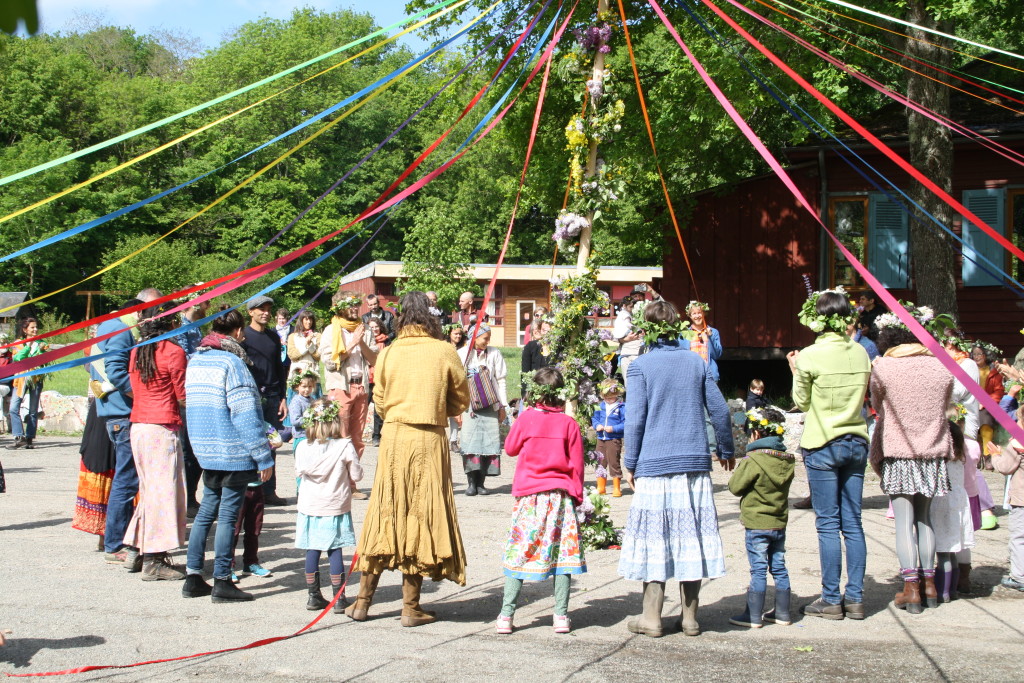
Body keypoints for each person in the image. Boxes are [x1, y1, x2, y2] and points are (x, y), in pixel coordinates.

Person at [347, 291, 470, 627]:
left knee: (385, 511)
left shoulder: (390, 352)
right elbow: (461, 400)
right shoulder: (444, 351)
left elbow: (381, 402)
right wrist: (433, 405)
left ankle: (361, 602)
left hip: (394, 438)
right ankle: (410, 607)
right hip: (428, 438)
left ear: (401, 317)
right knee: (420, 512)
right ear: (431, 317)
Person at [618, 300, 735, 638]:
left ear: (648, 329)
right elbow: (721, 411)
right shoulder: (695, 362)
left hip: (654, 464)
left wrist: (630, 462)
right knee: (691, 536)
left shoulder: (640, 366)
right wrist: (725, 449)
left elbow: (636, 419)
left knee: (656, 538)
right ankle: (690, 619)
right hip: (694, 462)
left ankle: (652, 619)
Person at [787, 287, 870, 620]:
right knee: (853, 524)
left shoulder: (809, 355)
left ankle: (831, 598)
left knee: (827, 524)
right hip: (856, 439)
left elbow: (802, 402)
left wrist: (794, 369)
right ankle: (857, 598)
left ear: (818, 318)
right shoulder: (862, 353)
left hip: (822, 442)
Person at [182, 309, 275, 603]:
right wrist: (263, 456)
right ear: (236, 333)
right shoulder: (233, 363)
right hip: (233, 451)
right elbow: (246, 414)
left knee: (206, 512)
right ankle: (222, 578)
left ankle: (193, 576)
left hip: (206, 450)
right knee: (227, 516)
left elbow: (190, 404)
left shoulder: (195, 360)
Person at [869, 307, 954, 614]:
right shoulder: (942, 367)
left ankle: (910, 589)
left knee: (904, 522)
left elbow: (877, 404)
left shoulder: (884, 367)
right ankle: (930, 585)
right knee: (925, 519)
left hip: (899, 450)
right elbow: (947, 405)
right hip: (932, 453)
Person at [496, 366, 585, 635]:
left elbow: (510, 449)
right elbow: (577, 465)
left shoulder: (526, 419)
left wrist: (522, 420)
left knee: (520, 551)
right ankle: (560, 616)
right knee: (561, 556)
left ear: (534, 390)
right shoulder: (569, 424)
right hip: (559, 496)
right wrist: (577, 497)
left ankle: (506, 615)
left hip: (529, 497)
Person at [97, 288, 162, 564]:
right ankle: (114, 544)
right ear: (139, 311)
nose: (152, 319)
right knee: (127, 479)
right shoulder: (121, 331)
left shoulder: (108, 325)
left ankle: (117, 539)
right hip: (122, 413)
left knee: (126, 478)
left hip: (115, 412)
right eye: (151, 313)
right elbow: (115, 370)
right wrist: (141, 395)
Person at [125, 303, 188, 580]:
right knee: (164, 494)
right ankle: (154, 560)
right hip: (161, 428)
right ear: (172, 324)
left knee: (150, 491)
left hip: (139, 426)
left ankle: (136, 550)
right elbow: (182, 394)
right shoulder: (173, 352)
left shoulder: (138, 351)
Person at [728, 406, 795, 628]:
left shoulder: (753, 459)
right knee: (779, 566)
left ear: (756, 434)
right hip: (779, 522)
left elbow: (735, 487)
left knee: (758, 568)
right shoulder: (786, 459)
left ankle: (753, 615)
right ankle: (783, 613)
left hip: (757, 523)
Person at [294, 398, 363, 612]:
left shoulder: (302, 446)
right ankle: (339, 598)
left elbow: (298, 472)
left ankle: (313, 595)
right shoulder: (343, 446)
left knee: (312, 549)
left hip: (310, 505)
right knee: (335, 550)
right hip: (334, 504)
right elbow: (357, 475)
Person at [321, 290, 377, 494]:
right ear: (339, 307)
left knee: (357, 438)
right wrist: (352, 342)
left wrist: (361, 341)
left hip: (361, 387)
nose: (354, 308)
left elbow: (374, 360)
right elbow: (329, 362)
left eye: (356, 304)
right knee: (340, 437)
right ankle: (337, 482)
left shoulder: (365, 330)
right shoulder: (331, 330)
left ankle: (351, 483)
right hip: (340, 388)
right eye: (350, 304)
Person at [241, 295, 288, 506]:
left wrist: (283, 397)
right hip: (251, 398)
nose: (266, 312)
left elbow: (280, 368)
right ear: (251, 312)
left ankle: (270, 491)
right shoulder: (244, 337)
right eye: (261, 309)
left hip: (272, 396)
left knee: (272, 443)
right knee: (251, 444)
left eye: (269, 308)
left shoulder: (273, 336)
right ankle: (250, 492)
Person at [73, 325, 116, 550]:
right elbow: (98, 385)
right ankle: (105, 534)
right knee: (104, 469)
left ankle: (111, 534)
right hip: (101, 414)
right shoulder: (96, 353)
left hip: (106, 412)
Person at [458, 323, 509, 496]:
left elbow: (500, 380)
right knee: (470, 443)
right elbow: (456, 383)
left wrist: (502, 406)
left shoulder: (494, 353)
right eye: (485, 338)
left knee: (487, 443)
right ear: (474, 337)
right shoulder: (462, 354)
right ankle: (471, 483)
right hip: (469, 407)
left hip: (490, 405)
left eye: (489, 338)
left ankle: (481, 483)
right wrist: (457, 408)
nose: (488, 341)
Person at [174, 290, 211, 518]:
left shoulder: (196, 326)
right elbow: (184, 356)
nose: (208, 304)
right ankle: (186, 498)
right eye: (205, 300)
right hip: (184, 393)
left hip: (196, 390)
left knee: (195, 447)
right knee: (187, 448)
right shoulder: (181, 327)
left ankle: (192, 496)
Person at [932, 414, 975, 603]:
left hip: (943, 502)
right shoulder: (960, 459)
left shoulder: (941, 461)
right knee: (952, 550)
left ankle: (943, 591)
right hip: (959, 502)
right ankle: (953, 589)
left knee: (943, 551)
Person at [6, 317, 48, 450]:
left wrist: (41, 350)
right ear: (25, 330)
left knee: (33, 410)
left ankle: (29, 438)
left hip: (36, 379)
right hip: (21, 379)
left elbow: (43, 360)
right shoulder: (18, 343)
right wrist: (28, 346)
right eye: (32, 327)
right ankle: (19, 437)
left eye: (36, 327)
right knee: (13, 408)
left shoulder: (41, 343)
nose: (35, 329)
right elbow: (17, 358)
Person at [991, 424, 1024, 593]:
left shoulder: (1018, 442)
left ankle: (1019, 577)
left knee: (1019, 538)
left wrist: (995, 455)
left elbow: (1004, 467)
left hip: (1022, 499)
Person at [591, 378, 626, 497]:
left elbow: (625, 423)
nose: (609, 400)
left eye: (612, 398)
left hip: (613, 439)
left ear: (617, 395)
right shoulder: (600, 406)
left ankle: (616, 487)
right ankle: (601, 486)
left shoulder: (621, 407)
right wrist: (597, 425)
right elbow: (594, 418)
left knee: (614, 462)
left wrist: (614, 428)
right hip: (601, 438)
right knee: (600, 461)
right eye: (606, 398)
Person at [971, 342, 1005, 463]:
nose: (977, 356)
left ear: (985, 355)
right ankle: (974, 455)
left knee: (986, 422)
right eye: (974, 354)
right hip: (970, 403)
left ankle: (987, 455)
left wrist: (984, 403)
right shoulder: (968, 370)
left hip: (987, 405)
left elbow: (999, 391)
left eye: (980, 354)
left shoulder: (993, 372)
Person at [286, 310, 322, 394]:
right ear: (301, 320)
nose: (308, 322)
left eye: (310, 319)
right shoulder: (292, 336)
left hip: (312, 371)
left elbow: (318, 356)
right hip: (297, 372)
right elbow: (292, 355)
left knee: (314, 404)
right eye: (306, 319)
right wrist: (306, 345)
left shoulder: (318, 336)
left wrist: (310, 345)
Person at [366, 318, 389, 448]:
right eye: (371, 327)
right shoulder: (365, 341)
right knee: (363, 407)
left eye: (376, 327)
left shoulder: (386, 342)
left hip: (379, 378)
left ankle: (376, 435)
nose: (374, 329)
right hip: (367, 377)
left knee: (378, 409)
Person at [612, 295, 642, 388]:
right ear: (624, 306)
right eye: (630, 307)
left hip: (634, 350)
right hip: (628, 349)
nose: (632, 309)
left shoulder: (624, 314)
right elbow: (627, 324)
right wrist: (637, 328)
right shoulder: (625, 314)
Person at [520, 318, 552, 398]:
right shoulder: (531, 346)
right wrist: (525, 397)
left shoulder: (558, 349)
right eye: (544, 330)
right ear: (540, 331)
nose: (546, 333)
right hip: (534, 392)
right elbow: (525, 373)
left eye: (549, 330)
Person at [288, 370, 320, 445]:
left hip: (312, 435)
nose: (307, 389)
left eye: (310, 387)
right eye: (304, 387)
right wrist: (312, 419)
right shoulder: (296, 401)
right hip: (301, 436)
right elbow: (295, 421)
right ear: (297, 387)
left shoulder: (312, 400)